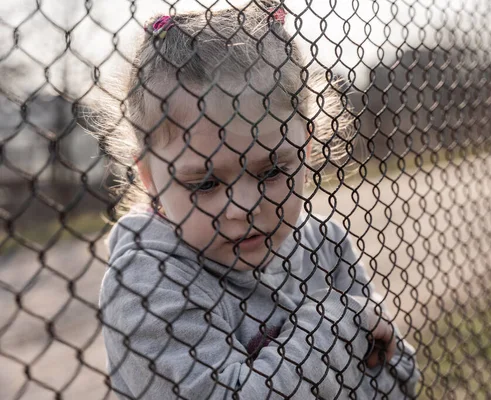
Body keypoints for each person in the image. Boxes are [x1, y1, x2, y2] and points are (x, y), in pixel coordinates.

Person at [95, 2, 420, 398]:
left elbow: (400, 379)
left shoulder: (326, 244)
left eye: (272, 171)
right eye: (206, 183)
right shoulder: (148, 281)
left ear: (308, 148)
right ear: (149, 177)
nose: (245, 207)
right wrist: (341, 320)